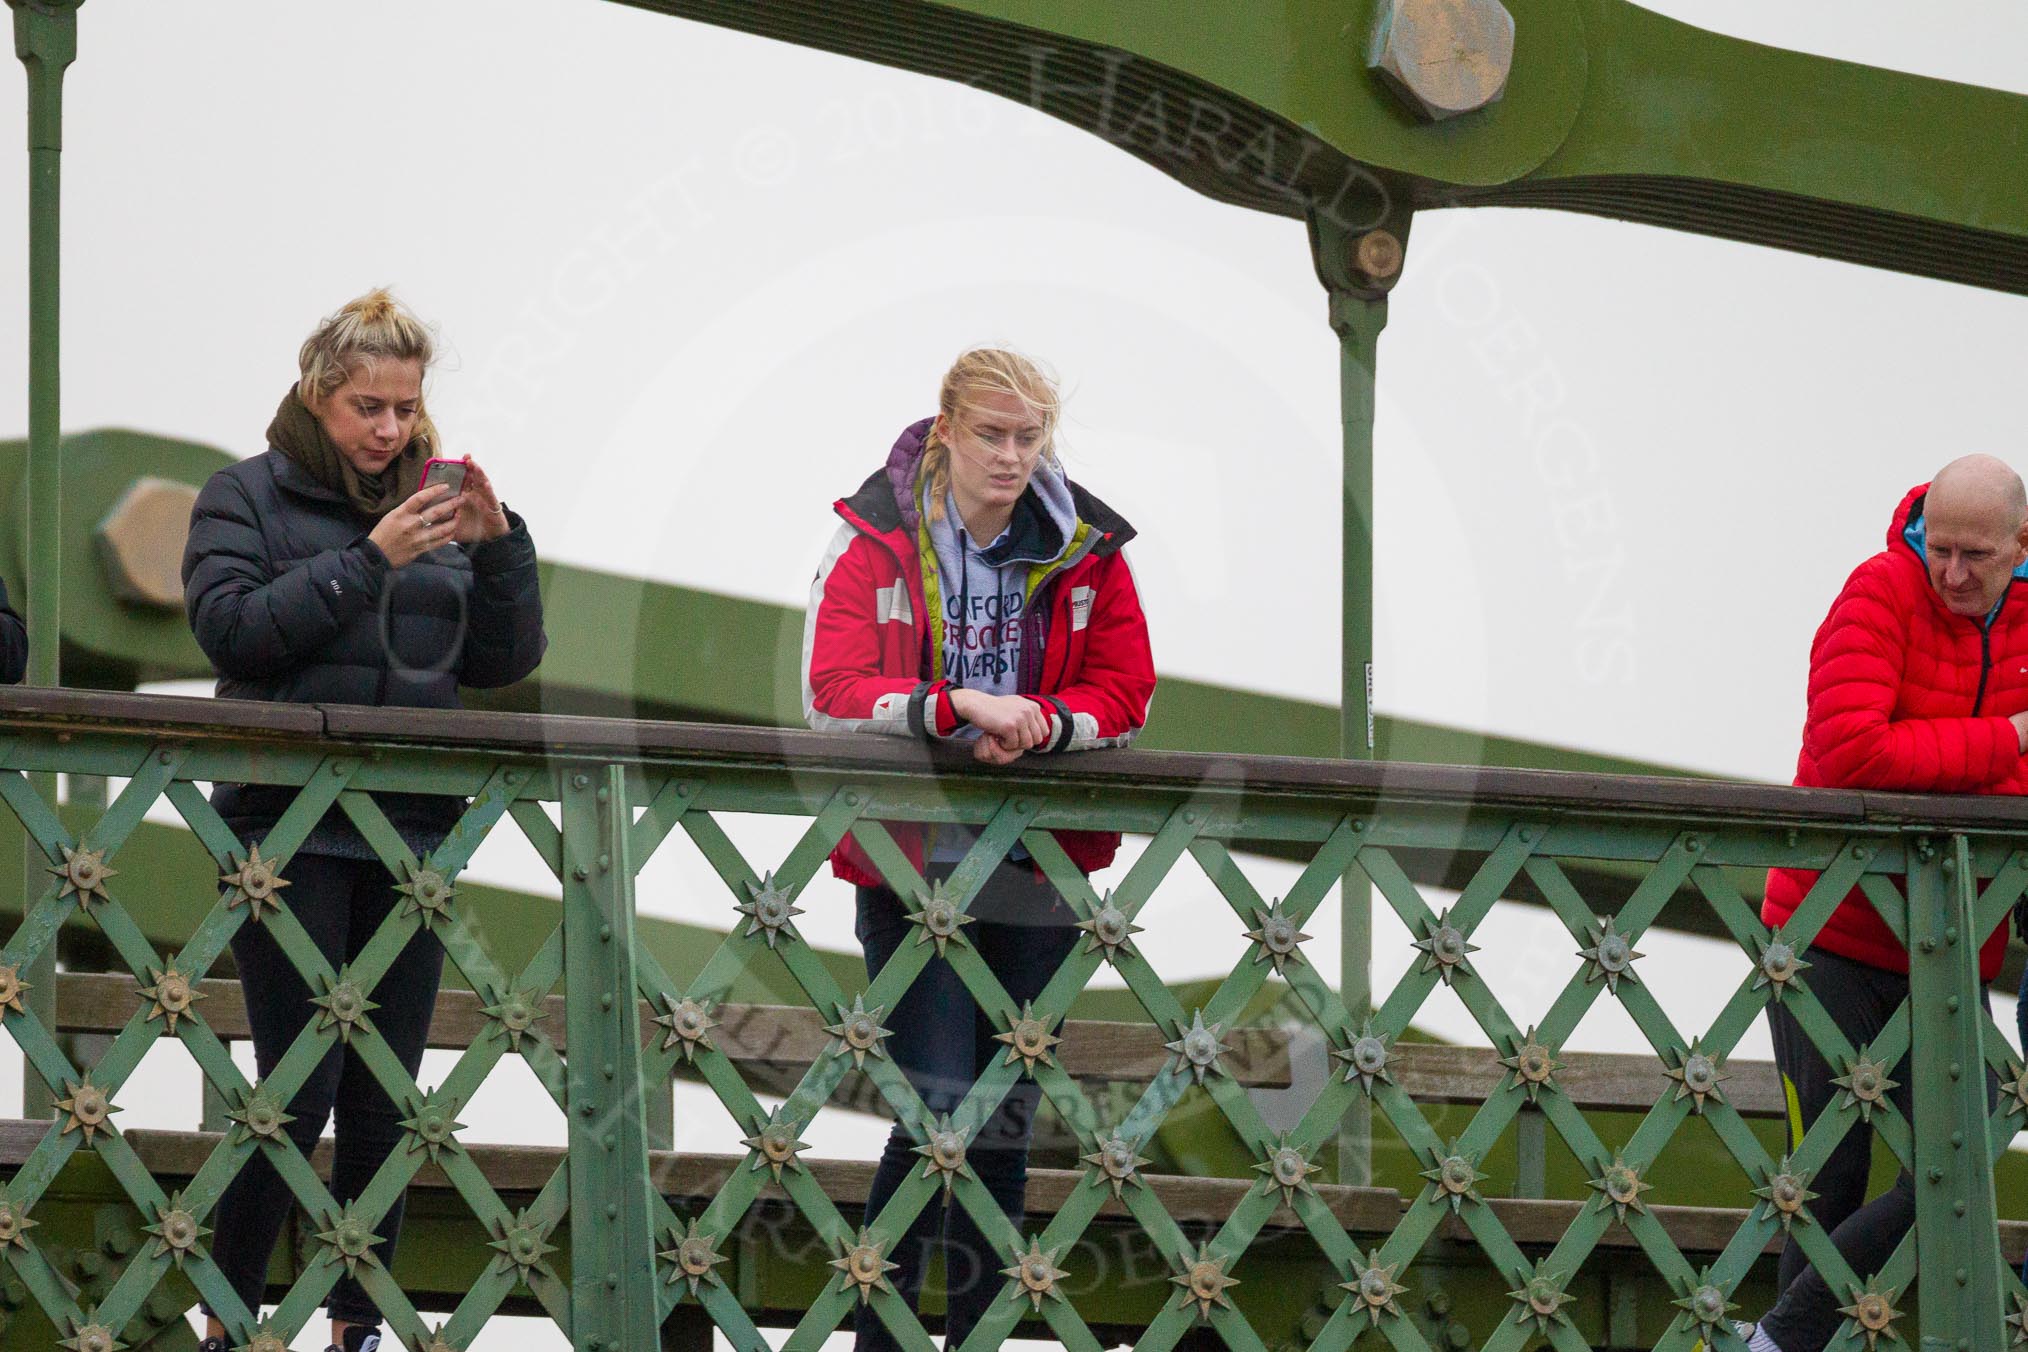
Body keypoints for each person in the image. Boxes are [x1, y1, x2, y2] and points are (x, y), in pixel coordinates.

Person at [182, 290, 546, 1352]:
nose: (388, 427)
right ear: (317, 396)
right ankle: (231, 1312)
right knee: (296, 1085)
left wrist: (501, 545)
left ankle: (359, 1321)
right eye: (366, 406)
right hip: (285, 826)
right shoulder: (241, 495)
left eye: (404, 406)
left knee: (389, 1091)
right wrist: (368, 557)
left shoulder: (432, 511)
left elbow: (498, 662)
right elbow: (232, 630)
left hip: (412, 829)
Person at [804, 348, 1155, 1351]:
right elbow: (829, 691)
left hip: (1036, 860)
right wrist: (951, 704)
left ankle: (976, 1337)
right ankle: (883, 1339)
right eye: (991, 433)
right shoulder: (873, 533)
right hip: (908, 859)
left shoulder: (1090, 547)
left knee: (1002, 1115)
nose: (1010, 455)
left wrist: (1043, 722)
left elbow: (1124, 689)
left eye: (1028, 436)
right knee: (937, 1106)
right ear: (946, 429)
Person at [1739, 455, 2028, 1352]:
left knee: (1963, 1156)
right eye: (1938, 548)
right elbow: (1854, 753)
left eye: (1975, 555)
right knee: (1828, 1177)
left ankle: (1777, 1343)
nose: (1951, 574)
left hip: (1952, 945)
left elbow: (1896, 754)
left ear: (2021, 545)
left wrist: (1933, 753)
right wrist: (2007, 741)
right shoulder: (1876, 592)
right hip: (1826, 933)